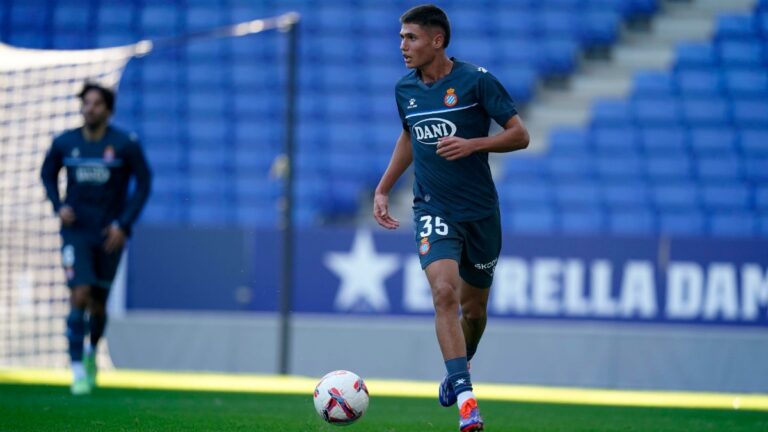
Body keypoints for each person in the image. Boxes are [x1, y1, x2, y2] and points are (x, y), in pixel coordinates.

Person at [373, 5, 529, 431]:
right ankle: (466, 401)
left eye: (411, 38)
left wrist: (473, 145)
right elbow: (409, 135)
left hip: (480, 213)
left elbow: (520, 134)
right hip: (433, 208)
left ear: (437, 40)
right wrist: (384, 187)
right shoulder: (405, 89)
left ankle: (460, 366)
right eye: (402, 38)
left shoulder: (476, 80)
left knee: (473, 310)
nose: (403, 46)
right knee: (443, 292)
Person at [41, 82, 152, 395]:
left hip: (109, 235)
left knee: (99, 305)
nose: (89, 109)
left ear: (108, 110)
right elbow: (47, 173)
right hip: (76, 232)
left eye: (96, 104)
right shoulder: (65, 142)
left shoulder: (125, 144)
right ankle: (76, 368)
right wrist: (58, 206)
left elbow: (144, 184)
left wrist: (123, 224)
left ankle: (91, 352)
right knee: (80, 293)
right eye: (86, 103)